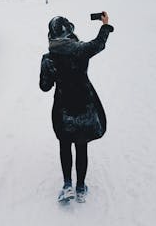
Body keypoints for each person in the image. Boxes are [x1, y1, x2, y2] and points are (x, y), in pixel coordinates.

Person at [39, 12, 114, 203]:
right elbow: (99, 43)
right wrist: (105, 25)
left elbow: (45, 87)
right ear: (70, 31)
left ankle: (67, 186)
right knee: (82, 147)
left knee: (65, 146)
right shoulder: (81, 50)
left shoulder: (49, 58)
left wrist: (50, 72)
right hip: (85, 108)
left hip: (63, 110)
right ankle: (80, 188)